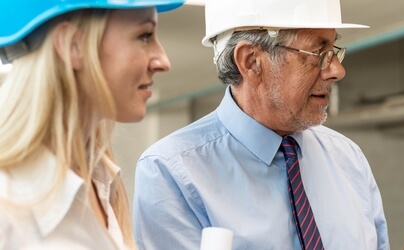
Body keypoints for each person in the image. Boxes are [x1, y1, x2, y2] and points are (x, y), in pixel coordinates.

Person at [132, 0, 389, 249]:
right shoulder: (171, 172)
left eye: (333, 51)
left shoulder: (348, 158)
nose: (336, 70)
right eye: (317, 53)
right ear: (251, 61)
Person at [0, 0, 183, 249]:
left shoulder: (103, 182)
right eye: (144, 36)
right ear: (73, 45)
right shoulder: (7, 202)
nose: (163, 61)